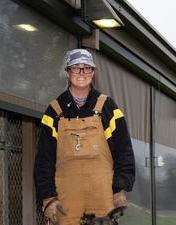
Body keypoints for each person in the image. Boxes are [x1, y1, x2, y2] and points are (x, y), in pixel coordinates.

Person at [34, 48, 135, 225]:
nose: (82, 73)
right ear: (67, 72)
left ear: (93, 72)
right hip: (66, 198)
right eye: (75, 68)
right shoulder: (54, 111)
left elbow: (124, 151)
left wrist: (119, 187)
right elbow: (44, 159)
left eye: (87, 68)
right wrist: (48, 196)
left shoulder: (108, 107)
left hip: (103, 195)